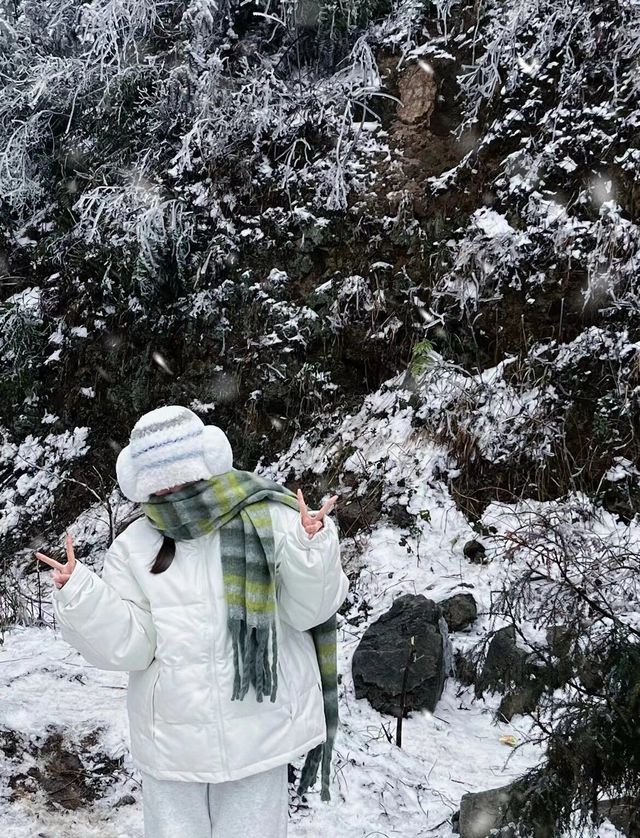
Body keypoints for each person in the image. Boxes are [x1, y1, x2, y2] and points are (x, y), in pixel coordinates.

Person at [34, 405, 349, 838]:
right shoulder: (133, 547)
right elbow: (132, 646)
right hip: (171, 738)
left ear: (208, 460)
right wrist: (81, 595)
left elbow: (308, 611)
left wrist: (310, 548)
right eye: (162, 481)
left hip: (257, 728)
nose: (175, 489)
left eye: (181, 474)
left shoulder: (271, 516)